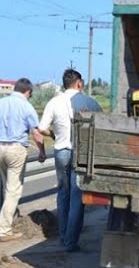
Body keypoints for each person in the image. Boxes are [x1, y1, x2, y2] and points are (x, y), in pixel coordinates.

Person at [38, 68, 102, 251]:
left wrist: (55, 135)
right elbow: (105, 124)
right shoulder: (90, 102)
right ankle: (70, 242)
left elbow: (41, 128)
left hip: (61, 152)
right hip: (80, 153)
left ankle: (63, 235)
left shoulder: (54, 102)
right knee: (77, 196)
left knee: (63, 193)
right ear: (79, 83)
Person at [0, 78, 46, 241]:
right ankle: (4, 230)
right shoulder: (27, 106)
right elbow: (36, 133)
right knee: (13, 190)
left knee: (7, 185)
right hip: (16, 149)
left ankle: (10, 216)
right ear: (28, 92)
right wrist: (42, 151)